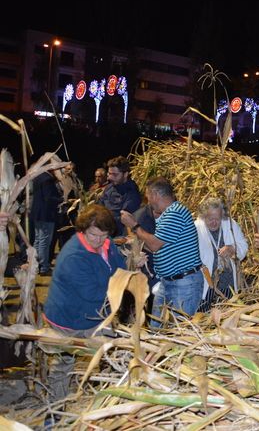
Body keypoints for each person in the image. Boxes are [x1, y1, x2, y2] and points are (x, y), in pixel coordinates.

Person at [43, 205, 128, 404]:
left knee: (109, 356)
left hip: (97, 314)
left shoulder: (107, 243)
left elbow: (118, 266)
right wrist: (121, 289)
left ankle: (107, 402)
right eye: (93, 235)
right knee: (63, 364)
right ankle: (55, 410)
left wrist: (128, 269)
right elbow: (91, 293)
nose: (98, 240)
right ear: (82, 230)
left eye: (103, 235)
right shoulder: (75, 255)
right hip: (69, 317)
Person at [121, 177, 202, 328]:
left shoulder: (176, 213)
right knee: (156, 328)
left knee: (182, 331)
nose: (148, 201)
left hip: (183, 284)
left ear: (156, 194)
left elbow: (155, 245)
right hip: (168, 282)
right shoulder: (167, 215)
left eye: (148, 196)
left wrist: (133, 225)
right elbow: (157, 246)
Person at [195, 197, 248, 311]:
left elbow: (243, 246)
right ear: (204, 216)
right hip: (205, 283)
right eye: (210, 219)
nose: (214, 223)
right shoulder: (196, 228)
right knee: (204, 313)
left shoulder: (230, 224)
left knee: (228, 314)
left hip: (227, 282)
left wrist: (233, 248)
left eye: (217, 219)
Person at [99, 156, 142, 237]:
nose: (110, 177)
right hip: (104, 230)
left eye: (115, 175)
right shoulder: (109, 188)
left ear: (126, 174)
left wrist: (104, 219)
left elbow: (124, 220)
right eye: (109, 174)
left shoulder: (132, 193)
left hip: (120, 234)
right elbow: (99, 207)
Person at [31, 169, 62, 275]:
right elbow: (49, 197)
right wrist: (64, 201)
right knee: (44, 241)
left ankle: (36, 265)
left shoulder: (39, 177)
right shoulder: (47, 179)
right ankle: (44, 267)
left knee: (38, 240)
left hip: (37, 213)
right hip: (46, 214)